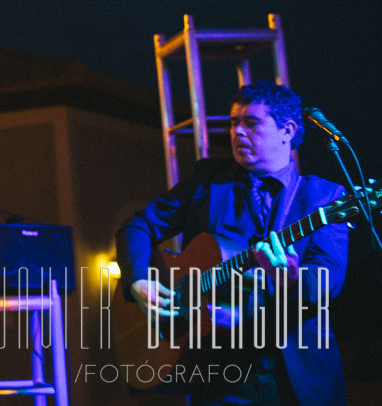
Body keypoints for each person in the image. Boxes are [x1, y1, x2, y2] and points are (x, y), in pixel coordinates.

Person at [116, 82, 349, 405]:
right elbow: (137, 225)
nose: (237, 132)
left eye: (251, 123)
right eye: (233, 123)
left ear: (288, 130)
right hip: (215, 376)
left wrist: (293, 279)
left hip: (294, 379)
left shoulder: (324, 197)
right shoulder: (208, 180)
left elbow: (329, 278)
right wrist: (138, 280)